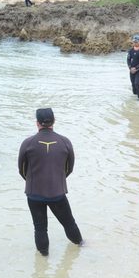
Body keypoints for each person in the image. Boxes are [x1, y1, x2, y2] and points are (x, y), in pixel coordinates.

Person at [18, 108, 83, 256]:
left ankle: (43, 258)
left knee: (40, 228)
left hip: (34, 193)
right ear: (54, 121)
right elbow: (69, 168)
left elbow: (22, 170)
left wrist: (32, 181)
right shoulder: (65, 142)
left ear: (37, 123)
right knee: (69, 222)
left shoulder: (28, 143)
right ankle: (80, 246)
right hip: (57, 193)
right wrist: (57, 179)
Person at [126, 34, 139, 100]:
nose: (135, 43)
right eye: (134, 42)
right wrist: (130, 67)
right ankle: (134, 99)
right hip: (132, 70)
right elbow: (128, 59)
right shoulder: (131, 50)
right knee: (133, 85)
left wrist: (136, 68)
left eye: (136, 42)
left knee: (137, 84)